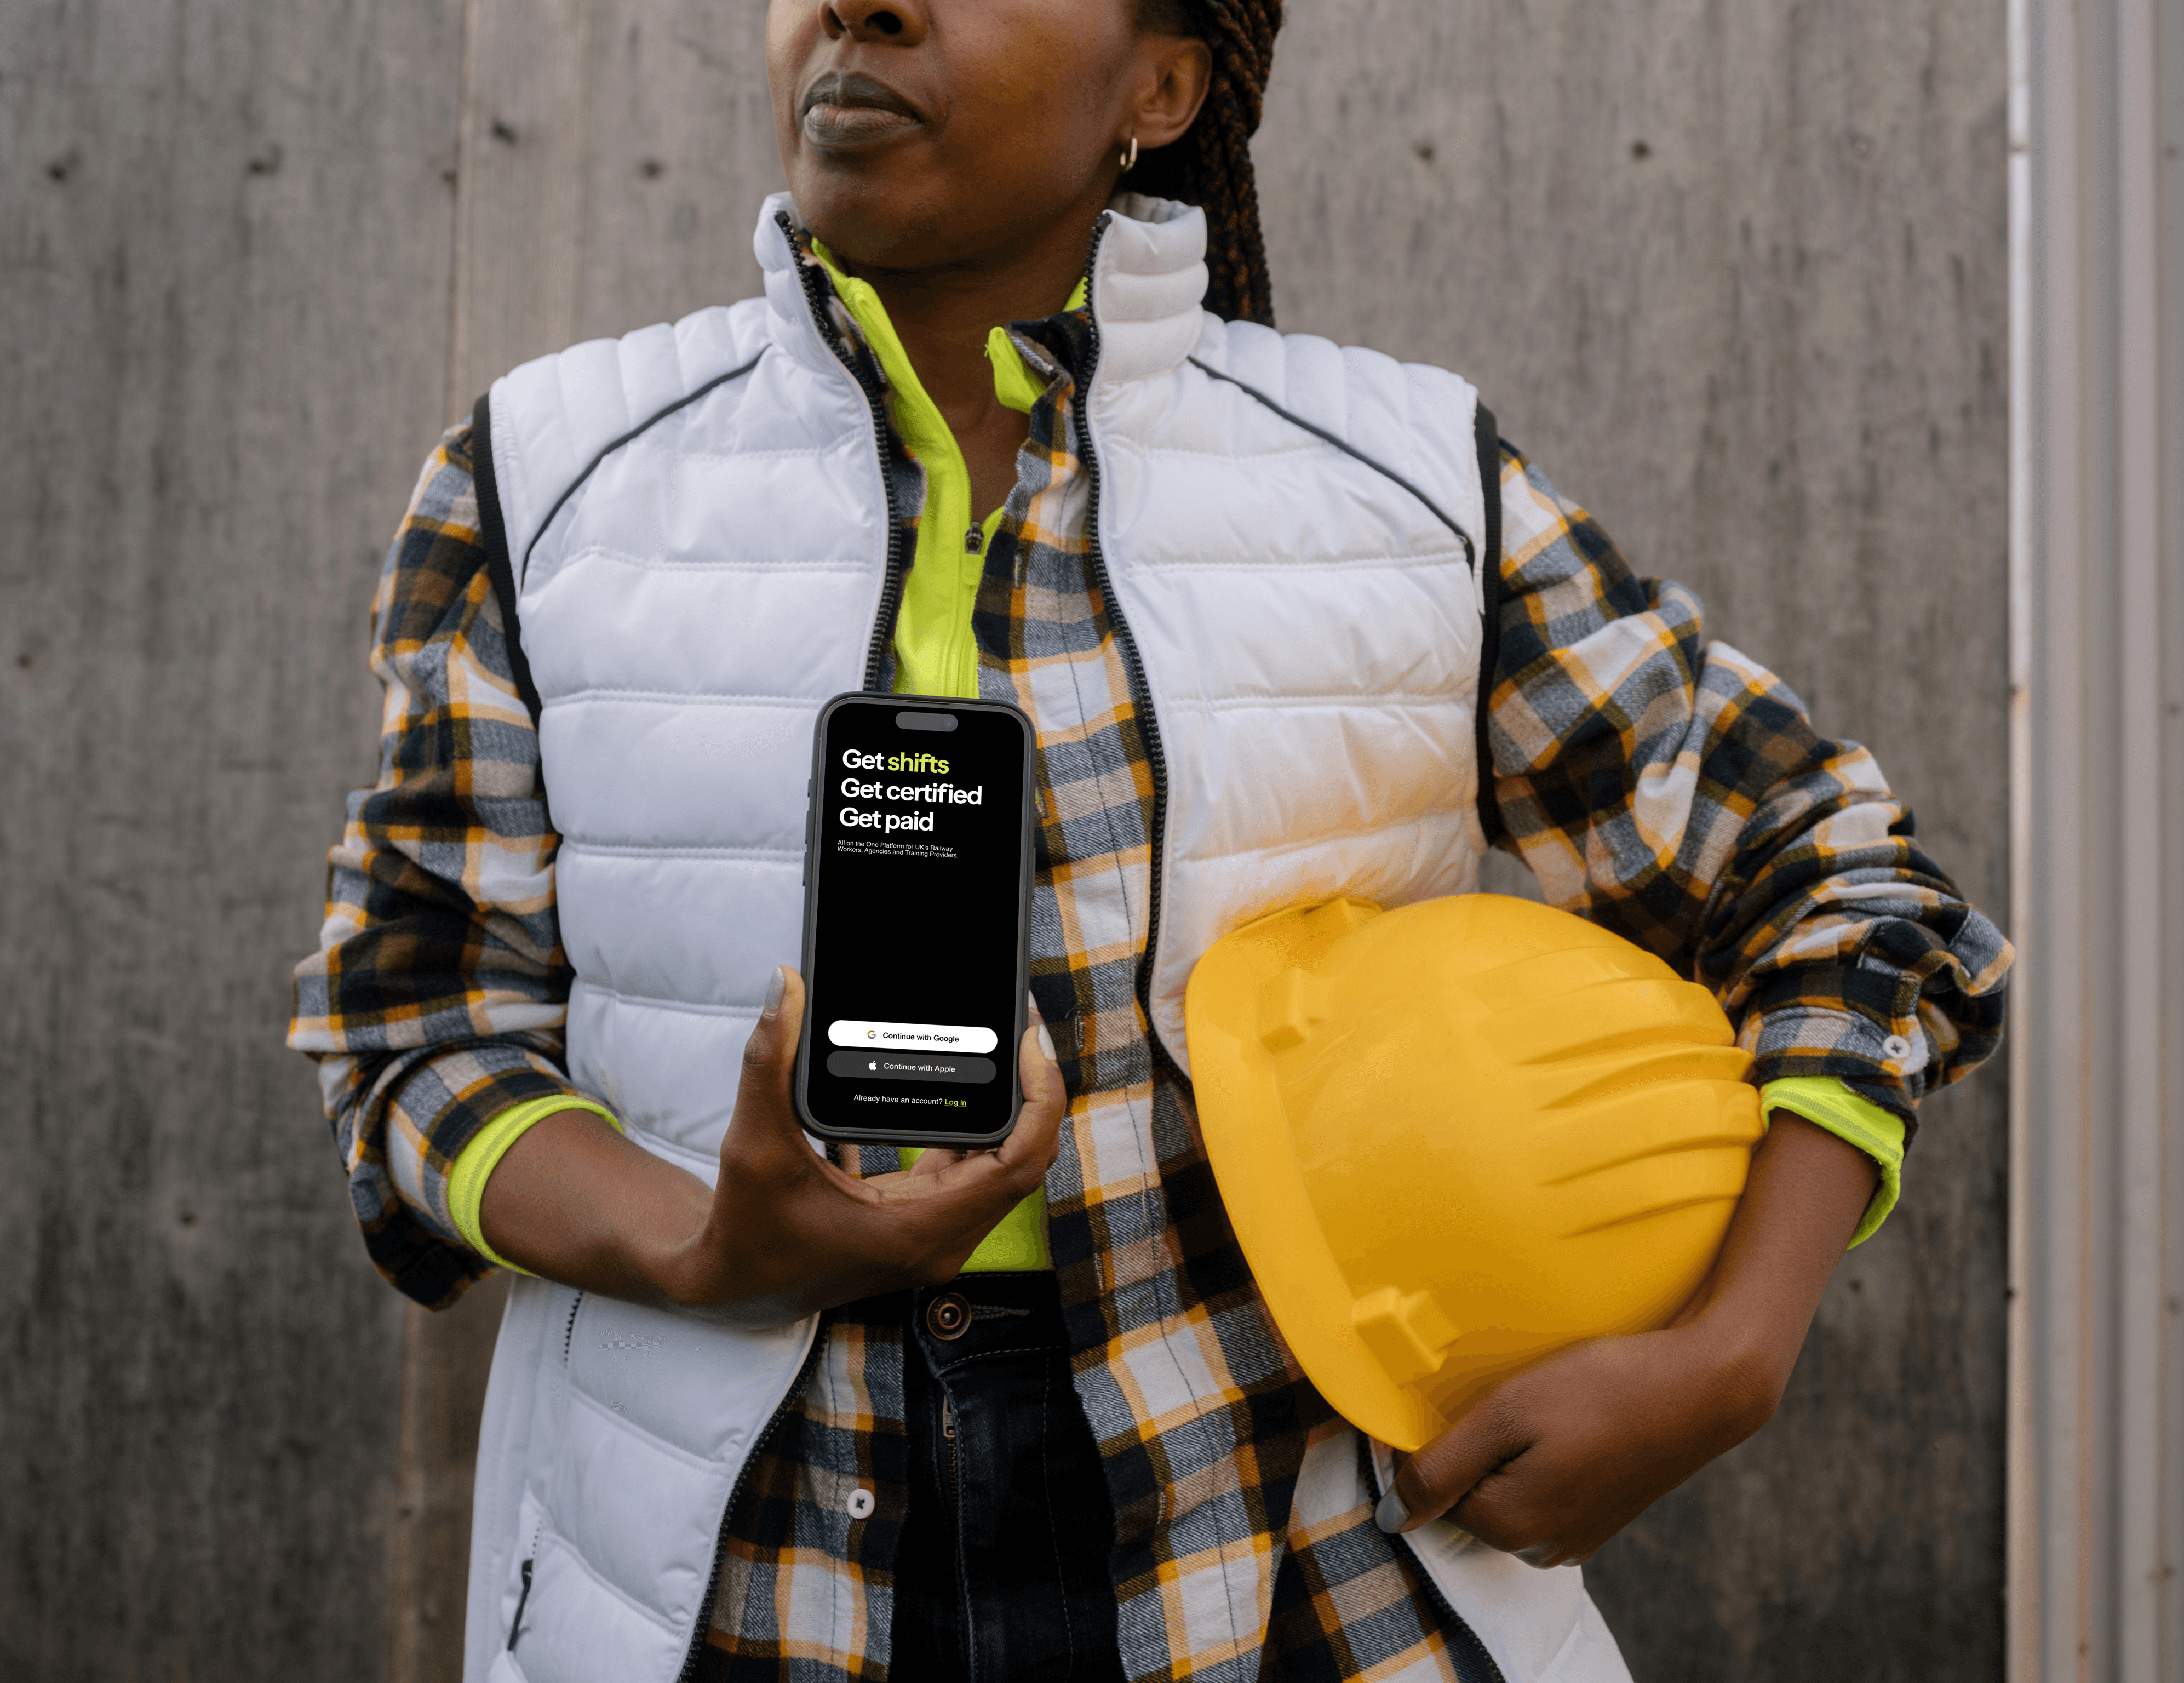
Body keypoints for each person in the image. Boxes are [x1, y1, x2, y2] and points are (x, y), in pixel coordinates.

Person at [289, 0, 2013, 1677]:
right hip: (735, 1578)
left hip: (1291, 1564)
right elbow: (413, 1030)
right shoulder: (544, 476)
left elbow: (1839, 877)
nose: (855, 5)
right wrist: (694, 1245)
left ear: (1167, 81)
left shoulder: (1402, 486)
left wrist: (1732, 1349)